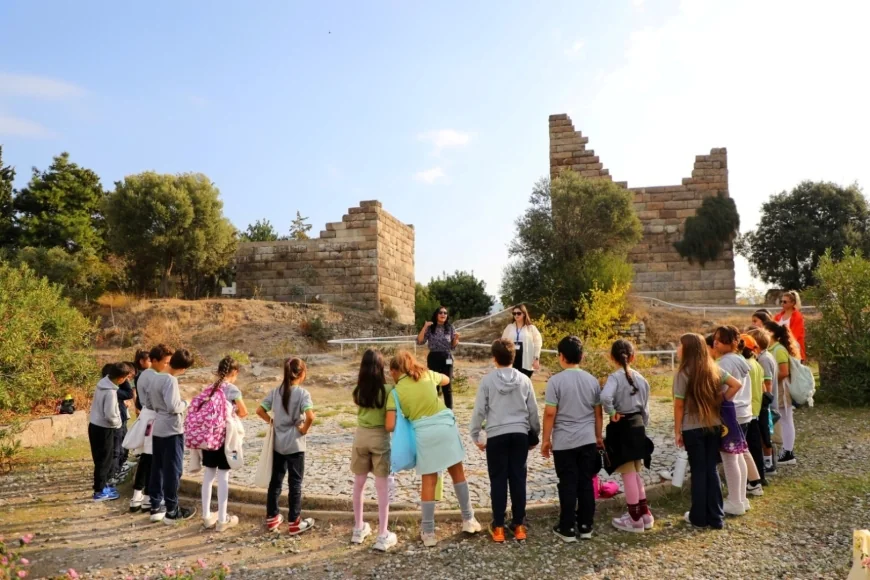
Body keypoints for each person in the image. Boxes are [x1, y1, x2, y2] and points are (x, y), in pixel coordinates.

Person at [385, 350, 481, 547]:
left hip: (424, 433)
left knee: (429, 480)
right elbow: (446, 380)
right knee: (458, 474)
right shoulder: (427, 375)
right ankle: (469, 520)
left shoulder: (395, 393)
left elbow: (391, 424)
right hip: (445, 426)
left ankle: (428, 532)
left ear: (395, 370)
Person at [469, 339, 540, 543]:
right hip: (519, 434)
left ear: (494, 358)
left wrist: (476, 435)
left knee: (498, 480)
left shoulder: (488, 381)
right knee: (518, 479)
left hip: (497, 434)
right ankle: (519, 524)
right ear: (514, 357)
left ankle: (498, 526)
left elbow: (479, 411)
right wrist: (534, 434)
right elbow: (533, 410)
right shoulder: (524, 380)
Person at [673, 333, 742, 529]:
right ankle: (716, 517)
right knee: (711, 469)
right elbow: (736, 385)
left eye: (680, 345)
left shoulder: (683, 373)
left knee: (698, 471)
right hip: (713, 426)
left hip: (692, 428)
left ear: (687, 349)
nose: (678, 349)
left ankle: (698, 517)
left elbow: (679, 405)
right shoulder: (714, 369)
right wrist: (719, 401)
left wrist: (677, 431)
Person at [542, 336, 603, 542]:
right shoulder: (592, 380)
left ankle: (567, 527)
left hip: (564, 441)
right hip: (587, 439)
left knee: (567, 483)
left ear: (561, 356)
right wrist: (598, 436)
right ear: (582, 356)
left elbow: (550, 413)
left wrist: (546, 440)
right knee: (586, 482)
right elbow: (598, 413)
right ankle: (586, 525)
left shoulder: (555, 381)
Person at [257, 358, 316, 535]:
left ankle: (272, 517)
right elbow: (311, 416)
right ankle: (294, 522)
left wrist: (272, 422)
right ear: (302, 373)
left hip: (278, 444)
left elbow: (260, 410)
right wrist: (304, 429)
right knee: (295, 483)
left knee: (275, 481)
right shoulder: (303, 394)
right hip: (295, 444)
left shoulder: (276, 392)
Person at [601, 339, 654, 533]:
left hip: (622, 426)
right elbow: (646, 409)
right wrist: (642, 427)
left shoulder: (614, 378)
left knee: (628, 473)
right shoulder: (642, 379)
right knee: (636, 472)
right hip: (638, 425)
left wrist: (612, 411)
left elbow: (605, 397)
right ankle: (645, 514)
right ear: (633, 356)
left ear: (612, 357)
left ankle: (634, 518)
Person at [349, 349, 397, 552]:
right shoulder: (388, 390)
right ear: (381, 368)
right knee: (382, 487)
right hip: (380, 439)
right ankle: (382, 533)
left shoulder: (358, 390)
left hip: (360, 437)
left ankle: (359, 528)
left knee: (358, 484)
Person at [712, 326, 756, 516]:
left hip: (731, 413)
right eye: (714, 340)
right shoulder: (741, 360)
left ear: (731, 343)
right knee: (739, 455)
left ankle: (734, 501)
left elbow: (722, 387)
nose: (715, 343)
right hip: (745, 412)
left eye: (719, 340)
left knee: (730, 458)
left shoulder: (724, 363)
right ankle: (742, 498)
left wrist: (720, 400)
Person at [149, 348, 196, 524]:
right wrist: (187, 402)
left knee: (158, 468)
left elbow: (151, 403)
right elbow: (174, 407)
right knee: (173, 470)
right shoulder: (170, 381)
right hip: (172, 429)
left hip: (159, 427)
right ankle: (172, 510)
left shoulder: (156, 377)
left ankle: (156, 504)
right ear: (183, 368)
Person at [200, 356, 246, 532]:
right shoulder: (232, 389)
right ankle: (221, 519)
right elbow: (244, 411)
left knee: (209, 475)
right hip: (226, 437)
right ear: (234, 372)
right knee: (223, 476)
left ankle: (206, 516)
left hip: (209, 437)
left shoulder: (210, 388)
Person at [130, 344, 173, 513]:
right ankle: (145, 496)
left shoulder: (145, 375)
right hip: (153, 417)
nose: (167, 365)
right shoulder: (154, 376)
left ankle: (140, 496)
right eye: (165, 362)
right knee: (150, 459)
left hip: (147, 416)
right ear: (154, 360)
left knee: (147, 458)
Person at [89, 362, 133, 502]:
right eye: (126, 378)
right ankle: (99, 492)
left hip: (94, 425)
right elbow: (110, 415)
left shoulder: (103, 383)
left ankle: (101, 486)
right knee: (105, 460)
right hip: (105, 429)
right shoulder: (110, 392)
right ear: (121, 378)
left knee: (100, 459)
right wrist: (117, 423)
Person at [763, 320, 801, 466]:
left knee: (786, 420)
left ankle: (788, 452)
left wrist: (769, 380)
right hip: (777, 389)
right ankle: (785, 450)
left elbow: (784, 372)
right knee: (783, 420)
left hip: (782, 390)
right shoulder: (773, 348)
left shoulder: (778, 350)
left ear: (771, 333)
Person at [746, 327, 777, 474]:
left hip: (763, 402)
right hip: (763, 401)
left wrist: (765, 399)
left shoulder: (763, 359)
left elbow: (767, 381)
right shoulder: (764, 356)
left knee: (764, 433)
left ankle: (768, 463)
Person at [740, 333, 768, 492]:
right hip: (755, 409)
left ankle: (753, 479)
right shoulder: (756, 364)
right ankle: (759, 477)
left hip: (747, 410)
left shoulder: (746, 365)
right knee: (754, 446)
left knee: (746, 448)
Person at [416, 306, 459, 409]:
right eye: (440, 312)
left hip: (447, 357)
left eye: (445, 313)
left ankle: (449, 410)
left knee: (447, 385)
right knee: (434, 384)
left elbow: (453, 346)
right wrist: (424, 327)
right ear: (436, 314)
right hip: (434, 357)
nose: (443, 314)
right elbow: (419, 341)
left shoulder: (450, 327)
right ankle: (434, 409)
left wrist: (456, 339)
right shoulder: (430, 328)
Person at [501, 305, 542, 379]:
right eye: (514, 313)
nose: (516, 315)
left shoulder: (531, 328)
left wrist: (536, 358)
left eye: (518, 313)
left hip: (526, 360)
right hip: (512, 358)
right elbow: (503, 342)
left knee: (523, 382)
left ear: (524, 313)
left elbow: (538, 343)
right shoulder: (509, 327)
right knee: (511, 381)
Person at [112, 364, 135, 482]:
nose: (128, 380)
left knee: (122, 444)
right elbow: (129, 394)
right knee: (117, 449)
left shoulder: (114, 388)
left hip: (121, 419)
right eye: (127, 377)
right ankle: (115, 473)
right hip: (116, 422)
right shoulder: (112, 389)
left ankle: (120, 467)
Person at [774, 291, 806, 361]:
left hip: (794, 350)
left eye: (785, 302)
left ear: (792, 303)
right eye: (781, 301)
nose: (782, 303)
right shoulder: (777, 317)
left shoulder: (798, 317)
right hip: (780, 348)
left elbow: (795, 335)